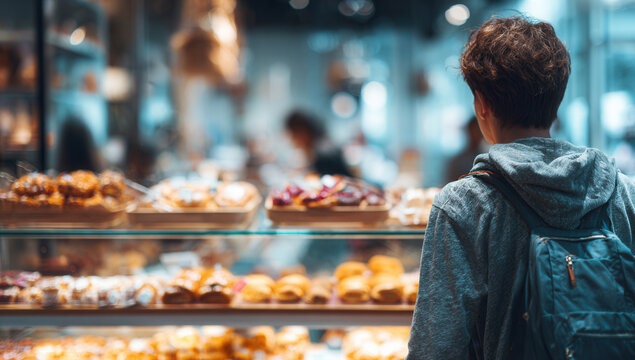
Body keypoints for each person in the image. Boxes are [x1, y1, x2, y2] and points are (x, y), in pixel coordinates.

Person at [407, 16, 635, 359]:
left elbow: (436, 347)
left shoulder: (463, 205)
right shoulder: (624, 192)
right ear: (556, 100)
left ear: (481, 103)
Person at [284, 110, 351, 176]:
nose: (291, 139)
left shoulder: (323, 154)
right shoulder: (316, 150)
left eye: (293, 134)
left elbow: (332, 181)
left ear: (304, 132)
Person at [444, 116, 486, 184]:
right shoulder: (457, 161)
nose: (476, 134)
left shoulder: (487, 158)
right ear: (468, 131)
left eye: (479, 131)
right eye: (474, 130)